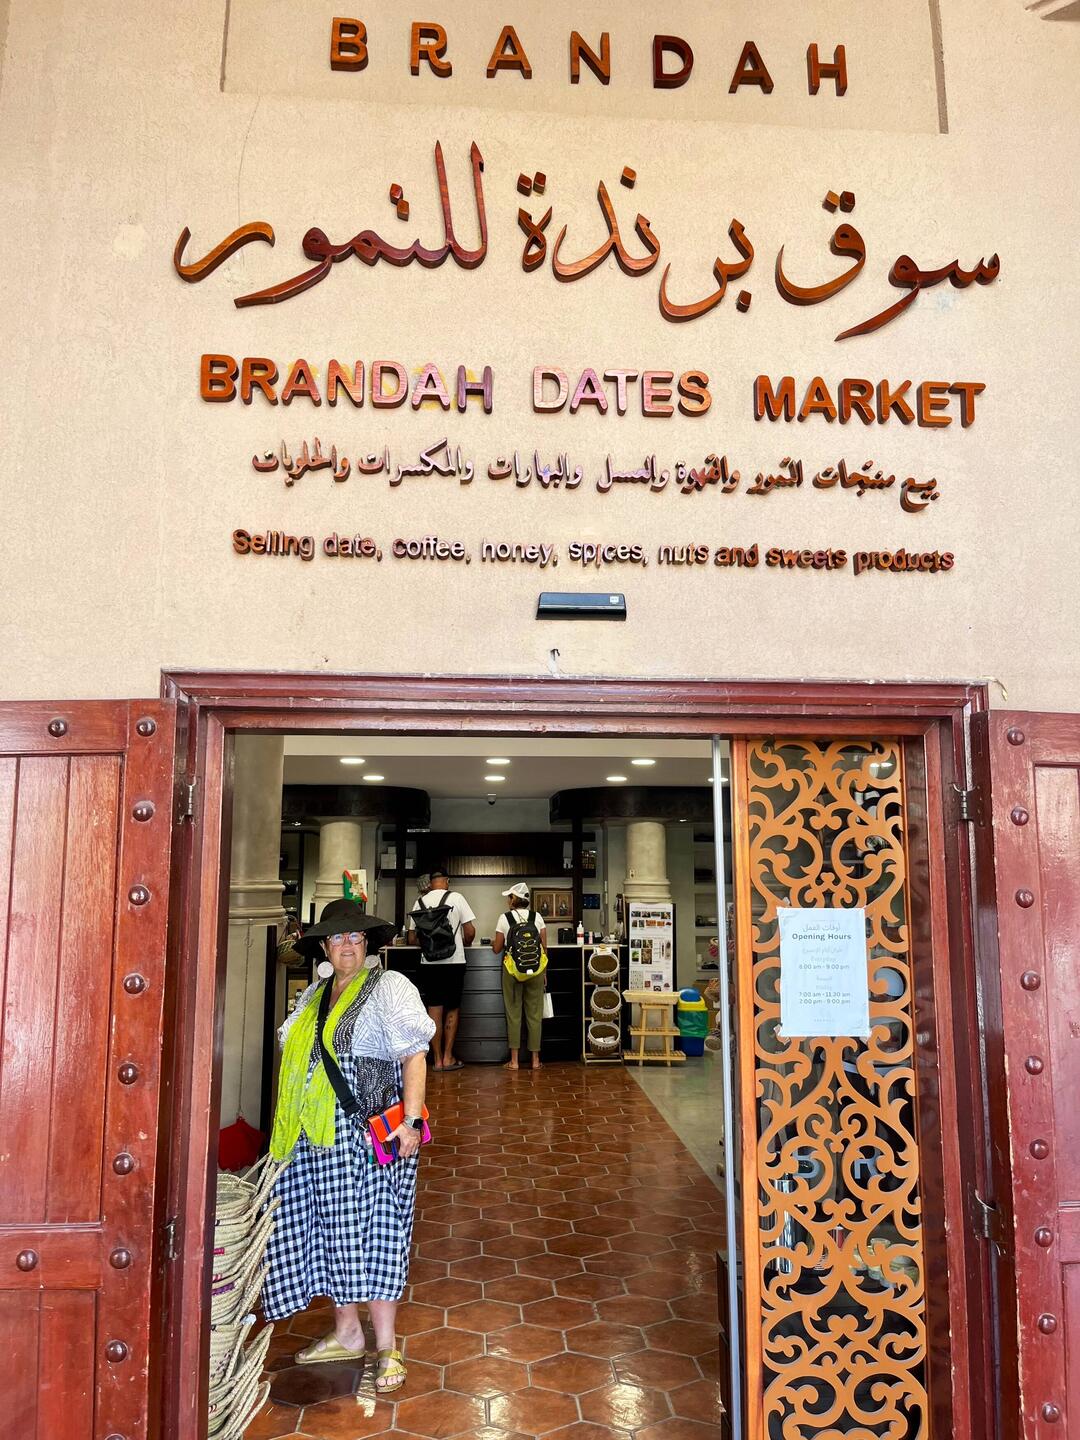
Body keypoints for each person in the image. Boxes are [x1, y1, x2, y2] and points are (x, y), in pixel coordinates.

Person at [262, 897, 435, 1395]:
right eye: (337, 937)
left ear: (368, 944)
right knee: (328, 1230)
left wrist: (412, 1122)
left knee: (377, 1231)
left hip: (368, 1136)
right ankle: (347, 1332)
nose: (346, 946)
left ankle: (387, 1346)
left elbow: (414, 1057)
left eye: (355, 937)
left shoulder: (389, 988)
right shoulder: (313, 995)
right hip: (313, 1138)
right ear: (323, 945)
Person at [407, 868, 475, 1072]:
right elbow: (470, 931)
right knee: (452, 1008)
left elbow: (411, 939)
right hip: (454, 962)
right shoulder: (457, 898)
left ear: (430, 882)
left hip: (428, 964)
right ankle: (448, 1057)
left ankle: (436, 1060)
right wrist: (463, 943)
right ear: (447, 881)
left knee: (433, 1010)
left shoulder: (419, 903)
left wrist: (430, 943)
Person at [493, 882, 547, 1071]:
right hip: (536, 971)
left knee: (513, 1014)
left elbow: (497, 948)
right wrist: (544, 973)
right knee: (534, 1014)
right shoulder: (537, 917)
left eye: (509, 897)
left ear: (514, 899)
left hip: (512, 971)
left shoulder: (504, 918)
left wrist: (495, 941)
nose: (508, 900)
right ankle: (535, 1060)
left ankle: (514, 1061)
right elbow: (543, 949)